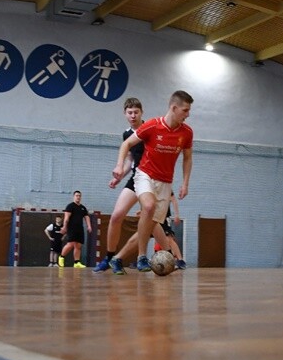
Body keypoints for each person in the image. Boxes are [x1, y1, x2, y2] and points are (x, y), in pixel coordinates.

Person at [108, 90, 193, 274]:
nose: (188, 114)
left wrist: (185, 183)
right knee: (148, 206)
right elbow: (126, 144)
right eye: (185, 110)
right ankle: (141, 257)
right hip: (144, 175)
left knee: (151, 224)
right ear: (174, 108)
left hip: (165, 182)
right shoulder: (153, 125)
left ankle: (118, 258)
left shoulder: (186, 133)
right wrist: (119, 166)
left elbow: (187, 158)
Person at [58, 190, 92, 268]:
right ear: (73, 196)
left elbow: (86, 217)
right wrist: (65, 227)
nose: (78, 197)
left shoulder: (83, 208)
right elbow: (66, 218)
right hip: (72, 228)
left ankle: (76, 262)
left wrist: (89, 226)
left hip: (79, 228)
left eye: (79, 196)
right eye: (77, 195)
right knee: (70, 244)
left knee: (78, 245)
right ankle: (61, 257)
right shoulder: (70, 206)